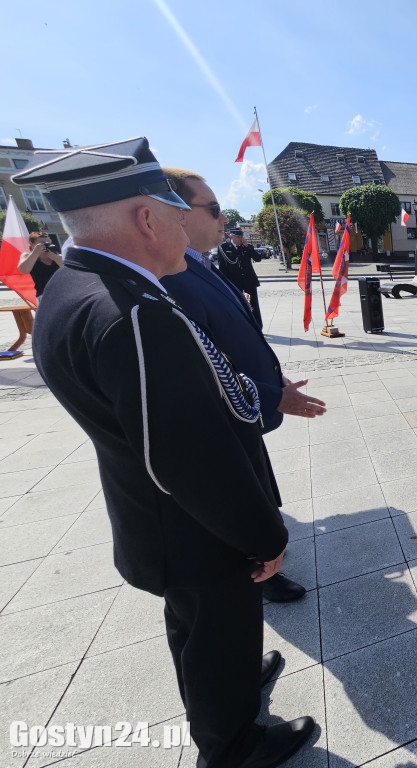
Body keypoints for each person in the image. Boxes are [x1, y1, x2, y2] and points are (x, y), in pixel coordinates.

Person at [13, 138, 315, 768]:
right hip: (193, 528)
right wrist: (263, 534)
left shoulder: (73, 286)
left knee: (201, 631)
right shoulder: (136, 313)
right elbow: (188, 457)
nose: (187, 225)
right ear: (147, 220)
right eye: (176, 213)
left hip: (155, 520)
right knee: (214, 624)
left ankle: (223, 687)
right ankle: (234, 746)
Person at [161, 167, 324, 604]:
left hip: (247, 406)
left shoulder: (198, 262)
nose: (223, 219)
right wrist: (273, 396)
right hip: (227, 416)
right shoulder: (171, 276)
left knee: (257, 484)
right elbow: (208, 365)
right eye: (213, 209)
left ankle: (262, 555)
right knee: (241, 490)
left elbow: (236, 336)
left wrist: (276, 379)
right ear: (176, 213)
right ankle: (257, 571)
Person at [218, 227, 264, 328]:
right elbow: (222, 267)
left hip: (249, 281)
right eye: (238, 237)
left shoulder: (246, 246)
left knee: (253, 305)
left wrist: (247, 247)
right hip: (234, 282)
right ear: (231, 236)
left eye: (241, 237)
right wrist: (225, 283)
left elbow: (258, 259)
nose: (240, 239)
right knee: (238, 305)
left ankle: (257, 326)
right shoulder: (224, 248)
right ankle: (242, 325)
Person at [17, 232, 63, 299]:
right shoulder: (27, 256)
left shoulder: (58, 256)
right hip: (43, 295)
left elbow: (70, 270)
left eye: (48, 243)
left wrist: (56, 258)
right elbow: (23, 270)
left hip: (62, 293)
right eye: (42, 244)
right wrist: (35, 253)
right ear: (32, 244)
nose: (45, 245)